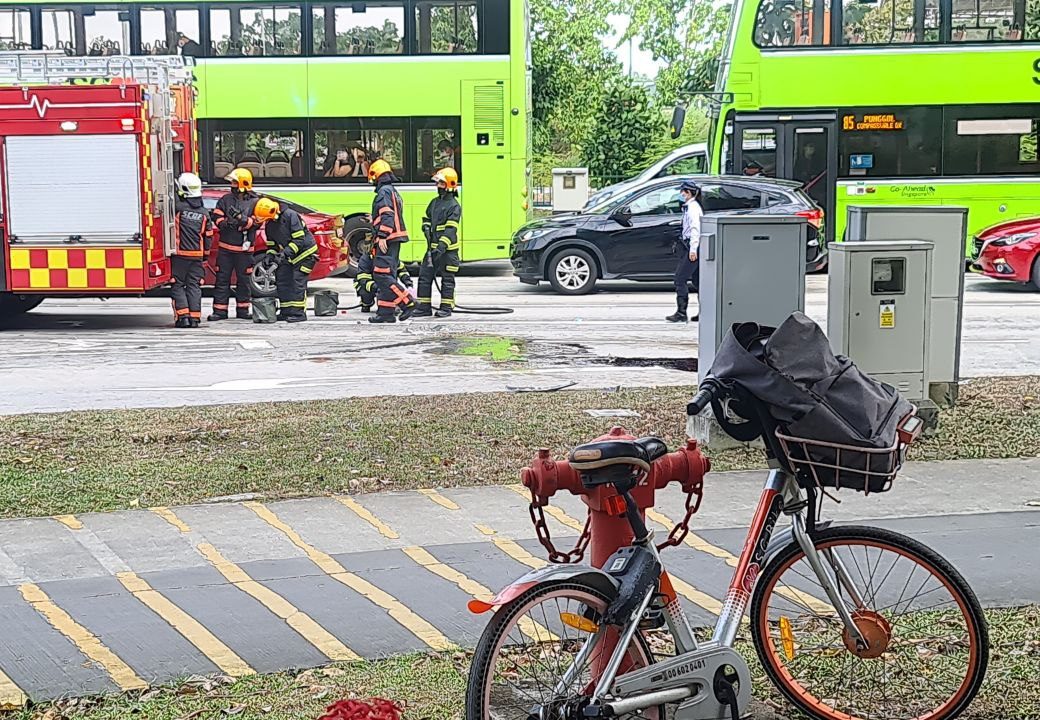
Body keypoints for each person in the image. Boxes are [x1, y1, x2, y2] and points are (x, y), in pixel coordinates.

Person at [252, 197, 317, 323]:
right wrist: (270, 255)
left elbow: (299, 240)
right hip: (289, 255)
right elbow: (272, 244)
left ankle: (298, 314)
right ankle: (286, 311)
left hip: (305, 254)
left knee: (297, 281)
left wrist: (284, 254)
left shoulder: (291, 216)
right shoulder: (270, 223)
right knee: (282, 279)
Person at [366, 159, 415, 323]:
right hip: (395, 239)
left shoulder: (383, 192)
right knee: (389, 274)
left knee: (381, 275)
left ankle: (407, 302)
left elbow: (387, 215)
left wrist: (382, 236)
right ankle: (385, 313)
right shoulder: (392, 191)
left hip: (388, 239)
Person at [208, 168, 259, 321]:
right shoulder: (225, 200)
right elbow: (216, 216)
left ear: (243, 184)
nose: (232, 184)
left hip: (244, 250)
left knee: (244, 281)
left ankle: (243, 310)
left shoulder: (255, 202)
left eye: (235, 182)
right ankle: (220, 311)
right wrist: (225, 223)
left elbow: (257, 222)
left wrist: (243, 221)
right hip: (225, 249)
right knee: (222, 280)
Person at [415, 167, 461, 318]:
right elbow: (427, 217)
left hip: (448, 251)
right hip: (432, 249)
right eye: (438, 183)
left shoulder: (454, 206)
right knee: (424, 276)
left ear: (449, 185)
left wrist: (442, 246)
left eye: (441, 183)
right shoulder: (434, 203)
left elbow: (451, 229)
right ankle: (423, 307)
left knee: (447, 279)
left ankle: (446, 307)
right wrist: (426, 226)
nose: (438, 186)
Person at [170, 172, 210, 328]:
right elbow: (208, 237)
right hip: (197, 256)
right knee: (194, 285)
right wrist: (205, 256)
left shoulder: (178, 209)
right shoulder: (205, 213)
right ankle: (195, 318)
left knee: (178, 284)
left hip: (180, 255)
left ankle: (183, 317)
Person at [666, 180, 703, 323]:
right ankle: (704, 312)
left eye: (683, 192)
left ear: (688, 193)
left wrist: (693, 250)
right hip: (689, 246)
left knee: (680, 279)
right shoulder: (689, 207)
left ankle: (681, 312)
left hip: (692, 247)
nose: (681, 194)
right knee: (698, 281)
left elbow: (695, 230)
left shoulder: (693, 208)